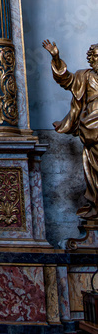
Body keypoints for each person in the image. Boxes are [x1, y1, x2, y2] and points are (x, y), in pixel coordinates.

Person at [43, 39, 98, 226]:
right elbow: (65, 79)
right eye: (96, 57)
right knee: (93, 169)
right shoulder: (84, 77)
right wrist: (56, 57)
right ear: (92, 60)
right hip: (92, 129)